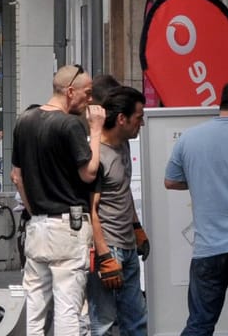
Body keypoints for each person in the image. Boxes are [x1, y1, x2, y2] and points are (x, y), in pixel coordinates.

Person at [14, 65, 105, 336]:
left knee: (34, 303)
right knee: (68, 305)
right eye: (87, 94)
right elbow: (88, 173)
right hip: (68, 224)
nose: (90, 100)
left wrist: (34, 210)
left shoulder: (25, 120)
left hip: (38, 225)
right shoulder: (69, 125)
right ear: (70, 92)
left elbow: (16, 176)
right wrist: (96, 131)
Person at [163, 77, 228, 336]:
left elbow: (171, 181)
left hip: (207, 246)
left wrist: (202, 182)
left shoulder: (190, 138)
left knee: (199, 322)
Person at [87, 85, 147, 336]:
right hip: (108, 247)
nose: (141, 124)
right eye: (138, 118)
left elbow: (123, 191)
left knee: (136, 320)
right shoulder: (96, 155)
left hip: (127, 245)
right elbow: (90, 209)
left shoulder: (123, 146)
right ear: (121, 119)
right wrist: (103, 255)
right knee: (104, 323)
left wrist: (137, 228)